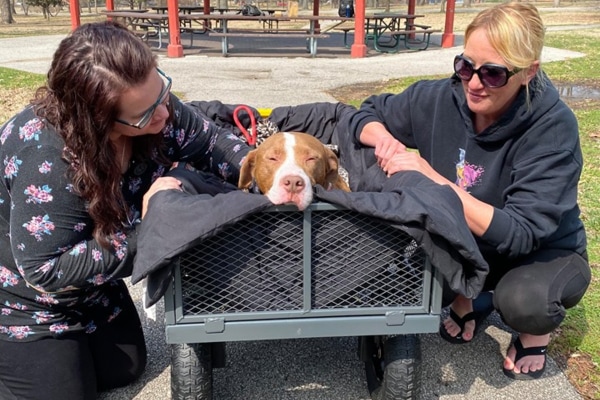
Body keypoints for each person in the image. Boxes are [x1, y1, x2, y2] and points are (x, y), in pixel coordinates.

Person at [0, 21, 249, 399]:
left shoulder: (154, 103)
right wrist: (153, 225)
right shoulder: (43, 155)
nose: (164, 113)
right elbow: (45, 269)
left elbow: (211, 142)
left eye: (162, 89)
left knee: (126, 369)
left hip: (94, 288)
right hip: (26, 298)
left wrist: (266, 171)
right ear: (98, 121)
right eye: (145, 114)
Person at [345, 2, 590, 380]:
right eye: (465, 65)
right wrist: (388, 145)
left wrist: (431, 177)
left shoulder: (553, 128)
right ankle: (472, 295)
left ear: (528, 73)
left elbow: (520, 235)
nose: (474, 83)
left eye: (493, 74)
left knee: (525, 303)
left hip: (541, 252)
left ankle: (532, 333)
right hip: (466, 241)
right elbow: (367, 113)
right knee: (397, 279)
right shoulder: (440, 98)